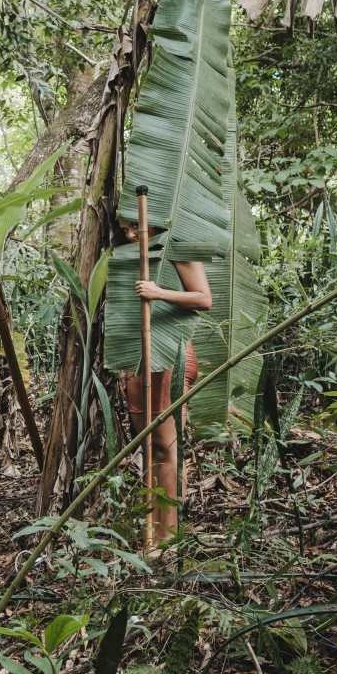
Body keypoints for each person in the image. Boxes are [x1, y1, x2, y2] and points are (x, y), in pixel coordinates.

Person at [119, 223, 212, 545]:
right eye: (124, 227)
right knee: (149, 448)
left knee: (166, 448)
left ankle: (168, 538)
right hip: (139, 358)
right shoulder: (131, 253)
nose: (130, 234)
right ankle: (152, 535)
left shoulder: (177, 243)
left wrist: (158, 292)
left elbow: (203, 298)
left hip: (169, 354)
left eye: (135, 227)